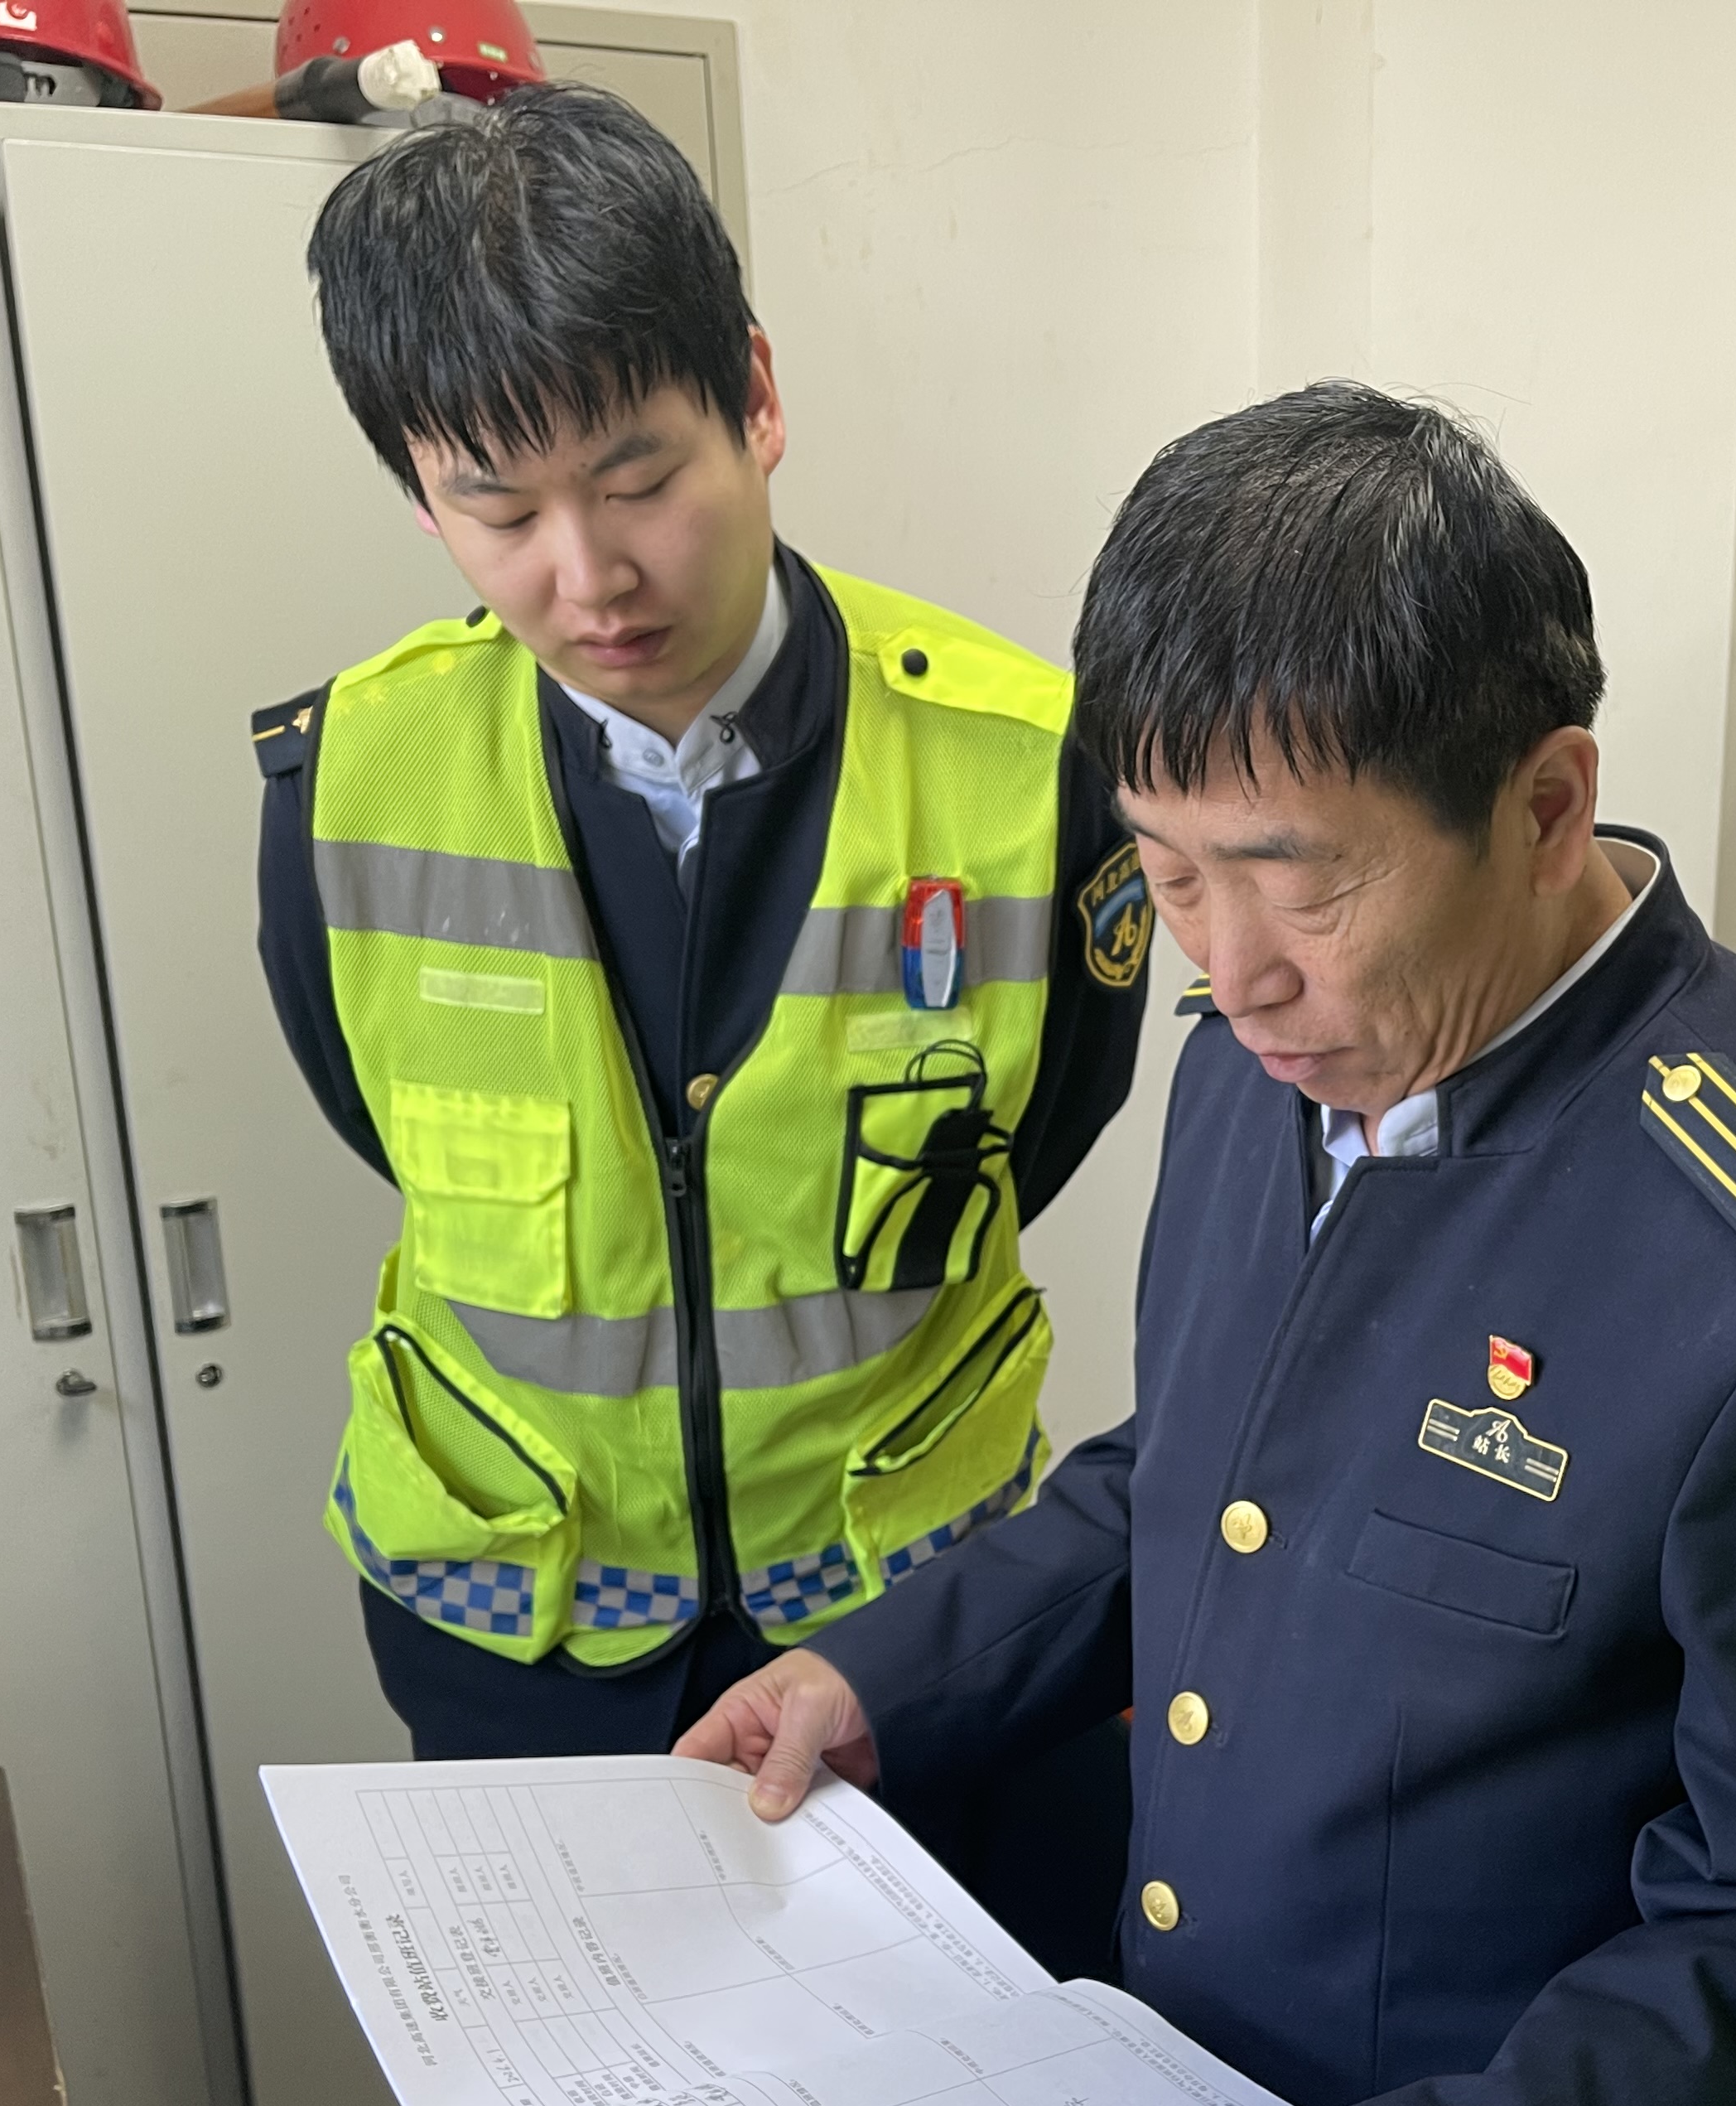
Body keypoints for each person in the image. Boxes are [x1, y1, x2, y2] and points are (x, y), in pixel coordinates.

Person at [669, 381, 1736, 2106]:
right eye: (1165, 876)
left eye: (1290, 881)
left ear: (1546, 801)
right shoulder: (1268, 1063)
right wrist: (887, 1676)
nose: (1228, 972)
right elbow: (1202, 1474)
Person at [250, 85, 1152, 1930]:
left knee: (951, 2079)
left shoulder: (1027, 768)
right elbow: (369, 1113)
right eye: (497, 507)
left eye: (638, 478)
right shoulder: (346, 780)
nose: (586, 577)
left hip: (909, 1622)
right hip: (517, 1636)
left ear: (755, 395)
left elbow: (1049, 1122)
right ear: (420, 488)